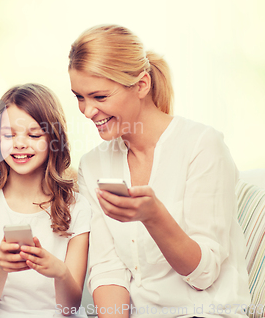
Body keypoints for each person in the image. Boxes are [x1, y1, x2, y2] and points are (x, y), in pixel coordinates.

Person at [68, 24, 250, 318]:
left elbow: (203, 274)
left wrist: (154, 216)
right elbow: (108, 271)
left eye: (99, 97)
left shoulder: (202, 146)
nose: (88, 111)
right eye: (79, 97)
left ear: (141, 85)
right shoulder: (93, 166)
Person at [0, 83, 91, 318]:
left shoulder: (77, 206)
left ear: (53, 139)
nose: (20, 144)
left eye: (33, 134)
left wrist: (59, 272)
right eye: (9, 135)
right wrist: (0, 265)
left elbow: (70, 308)